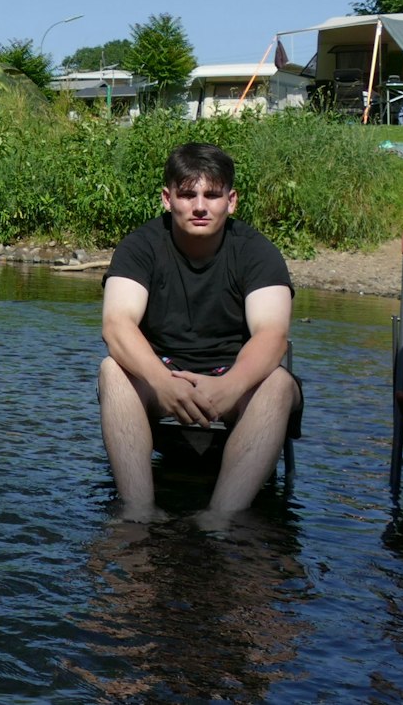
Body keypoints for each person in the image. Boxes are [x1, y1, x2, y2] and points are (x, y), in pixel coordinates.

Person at [97, 143, 299, 523]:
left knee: (279, 384)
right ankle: (138, 513)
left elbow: (272, 334)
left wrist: (233, 385)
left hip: (235, 379)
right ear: (167, 198)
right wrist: (162, 382)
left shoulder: (258, 252)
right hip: (162, 376)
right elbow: (117, 324)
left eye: (212, 194)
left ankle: (222, 517)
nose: (200, 206)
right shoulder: (139, 247)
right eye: (188, 194)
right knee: (112, 370)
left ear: (232, 200)